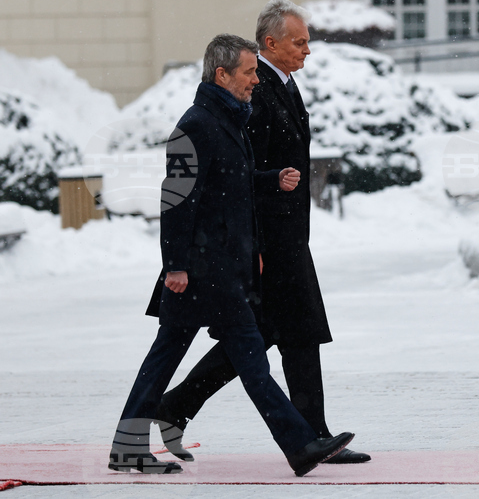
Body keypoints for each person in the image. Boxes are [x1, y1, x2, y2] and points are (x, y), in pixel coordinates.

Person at [110, 34, 353, 475]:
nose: (256, 81)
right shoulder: (196, 125)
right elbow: (176, 199)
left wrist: (270, 178)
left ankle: (129, 446)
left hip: (222, 268)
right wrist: (176, 266)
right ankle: (299, 445)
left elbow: (229, 184)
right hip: (203, 270)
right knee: (249, 364)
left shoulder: (226, 119)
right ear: (222, 75)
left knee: (175, 359)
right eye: (249, 72)